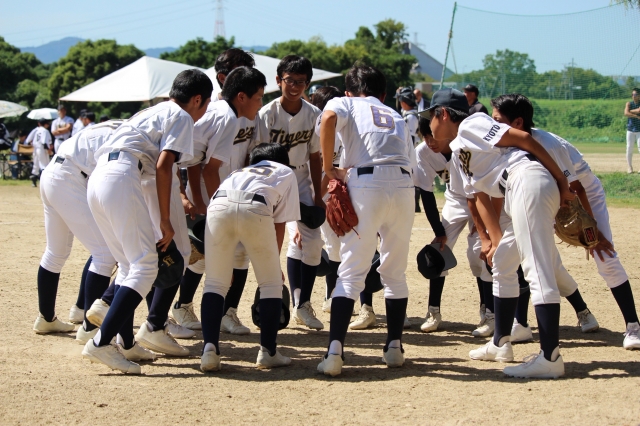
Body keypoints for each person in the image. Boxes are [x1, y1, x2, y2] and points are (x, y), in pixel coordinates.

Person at [424, 88, 575, 379]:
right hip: (520, 188)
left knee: (537, 269)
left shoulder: (472, 124)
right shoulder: (459, 150)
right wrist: (492, 240)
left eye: (430, 116)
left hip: (527, 181)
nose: (428, 124)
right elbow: (478, 196)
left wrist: (561, 180)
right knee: (503, 262)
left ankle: (550, 357)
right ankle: (500, 344)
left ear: (443, 114)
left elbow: (524, 139)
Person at [81, 69, 212, 374]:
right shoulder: (181, 115)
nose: (203, 111)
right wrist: (165, 219)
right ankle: (101, 343)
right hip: (122, 176)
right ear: (196, 99)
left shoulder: (151, 111)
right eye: (205, 104)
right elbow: (165, 166)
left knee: (130, 266)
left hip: (100, 177)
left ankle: (126, 344)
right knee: (144, 266)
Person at [491, 93, 640, 350]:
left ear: (517, 123)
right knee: (523, 252)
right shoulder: (503, 143)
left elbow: (577, 188)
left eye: (497, 120)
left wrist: (593, 233)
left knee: (603, 255)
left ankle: (633, 326)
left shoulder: (546, 143)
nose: (492, 126)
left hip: (583, 193)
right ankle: (520, 323)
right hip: (549, 194)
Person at [316, 65, 416, 377]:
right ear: (383, 95)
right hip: (403, 186)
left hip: (366, 181)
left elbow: (328, 119)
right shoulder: (396, 114)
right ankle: (394, 347)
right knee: (395, 272)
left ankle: (334, 353)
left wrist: (329, 168)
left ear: (348, 91)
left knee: (350, 273)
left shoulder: (345, 102)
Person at [172, 48, 257, 333]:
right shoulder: (211, 111)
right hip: (209, 191)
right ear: (223, 78)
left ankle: (228, 313)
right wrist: (195, 199)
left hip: (237, 190)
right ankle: (182, 305)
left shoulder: (250, 109)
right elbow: (191, 160)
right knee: (201, 253)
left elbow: (251, 151)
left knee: (241, 253)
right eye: (240, 71)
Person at [200, 143, 299, 371]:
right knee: (271, 284)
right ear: (283, 160)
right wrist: (274, 265)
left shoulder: (240, 171)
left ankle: (209, 351)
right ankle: (268, 352)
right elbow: (279, 222)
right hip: (256, 207)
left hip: (217, 206)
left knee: (214, 283)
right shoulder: (285, 171)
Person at [33, 121, 122, 343]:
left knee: (56, 252)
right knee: (105, 252)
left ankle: (48, 318)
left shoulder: (112, 127)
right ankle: (89, 328)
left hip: (54, 173)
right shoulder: (128, 136)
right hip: (70, 178)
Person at [256, 55, 325, 330]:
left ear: (307, 83)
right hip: (270, 180)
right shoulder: (266, 114)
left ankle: (302, 304)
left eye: (300, 81)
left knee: (314, 242)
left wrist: (318, 196)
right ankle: (266, 294)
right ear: (278, 80)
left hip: (301, 180)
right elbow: (258, 156)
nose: (294, 86)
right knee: (267, 242)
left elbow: (315, 157)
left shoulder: (314, 114)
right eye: (289, 80)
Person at [414, 116, 497, 335]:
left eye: (433, 136)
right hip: (455, 199)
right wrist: (438, 231)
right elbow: (426, 193)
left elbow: (476, 190)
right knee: (438, 251)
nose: (430, 142)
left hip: (481, 197)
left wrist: (480, 224)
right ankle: (433, 311)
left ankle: (488, 312)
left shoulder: (463, 144)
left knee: (479, 253)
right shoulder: (423, 152)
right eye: (425, 137)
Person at [30, 119, 52, 187]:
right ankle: (44, 182)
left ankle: (33, 181)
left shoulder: (37, 130)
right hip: (42, 149)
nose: (48, 125)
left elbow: (29, 140)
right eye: (47, 123)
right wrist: (48, 150)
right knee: (44, 165)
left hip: (35, 149)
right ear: (45, 124)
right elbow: (44, 142)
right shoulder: (45, 131)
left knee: (36, 165)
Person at [624, 88, 640, 173]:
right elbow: (626, 113)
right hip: (630, 129)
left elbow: (639, 110)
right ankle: (629, 167)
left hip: (639, 130)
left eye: (635, 94)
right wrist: (636, 116)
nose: (634, 96)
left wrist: (630, 111)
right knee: (629, 148)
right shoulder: (629, 103)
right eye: (632, 94)